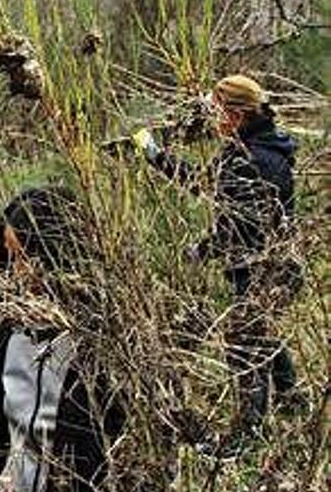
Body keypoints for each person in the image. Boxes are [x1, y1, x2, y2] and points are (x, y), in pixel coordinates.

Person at [132, 74, 304, 456]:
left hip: (264, 268)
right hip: (267, 264)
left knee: (244, 343)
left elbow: (238, 221)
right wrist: (156, 157)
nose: (211, 118)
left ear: (236, 114)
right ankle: (295, 404)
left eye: (216, 110)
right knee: (263, 335)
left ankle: (248, 434)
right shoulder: (254, 146)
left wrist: (205, 247)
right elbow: (215, 189)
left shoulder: (254, 158)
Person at [0, 187, 125, 492]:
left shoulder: (96, 335)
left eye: (27, 257)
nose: (19, 272)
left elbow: (106, 439)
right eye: (10, 256)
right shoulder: (4, 326)